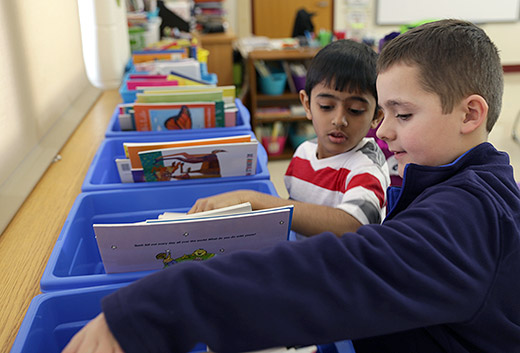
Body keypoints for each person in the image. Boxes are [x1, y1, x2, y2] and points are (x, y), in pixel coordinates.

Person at [63, 19, 520, 353]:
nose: (382, 133)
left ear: (469, 114)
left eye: (402, 115)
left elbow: (352, 269)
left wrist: (163, 304)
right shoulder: (437, 175)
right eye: (385, 115)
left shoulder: (473, 214)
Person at [190, 39, 390, 239]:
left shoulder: (368, 167)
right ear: (307, 104)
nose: (339, 120)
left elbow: (353, 225)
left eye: (355, 110)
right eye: (326, 106)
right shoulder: (304, 152)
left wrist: (252, 199)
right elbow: (297, 217)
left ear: (376, 117)